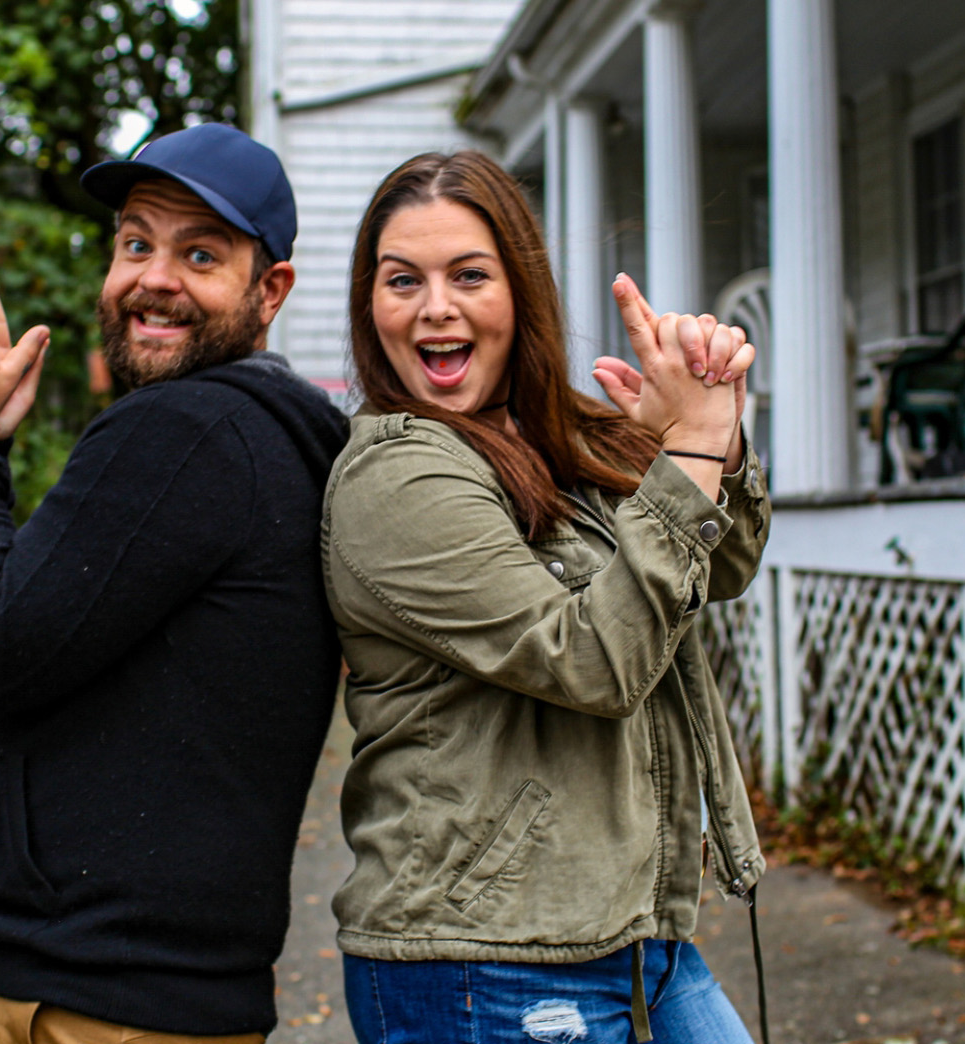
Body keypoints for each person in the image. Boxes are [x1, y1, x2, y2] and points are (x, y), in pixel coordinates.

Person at [0, 123, 349, 1043]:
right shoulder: (269, 441)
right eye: (136, 242)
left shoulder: (189, 430)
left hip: (72, 1002)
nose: (153, 278)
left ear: (271, 291)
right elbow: (55, 621)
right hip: (148, 991)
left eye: (201, 254)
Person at [322, 150, 771, 1044]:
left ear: (520, 292)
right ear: (372, 306)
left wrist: (708, 436)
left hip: (626, 928)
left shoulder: (550, 436)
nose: (435, 307)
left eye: (469, 275)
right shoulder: (397, 475)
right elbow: (597, 662)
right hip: (483, 955)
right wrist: (683, 457)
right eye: (402, 279)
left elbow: (717, 570)